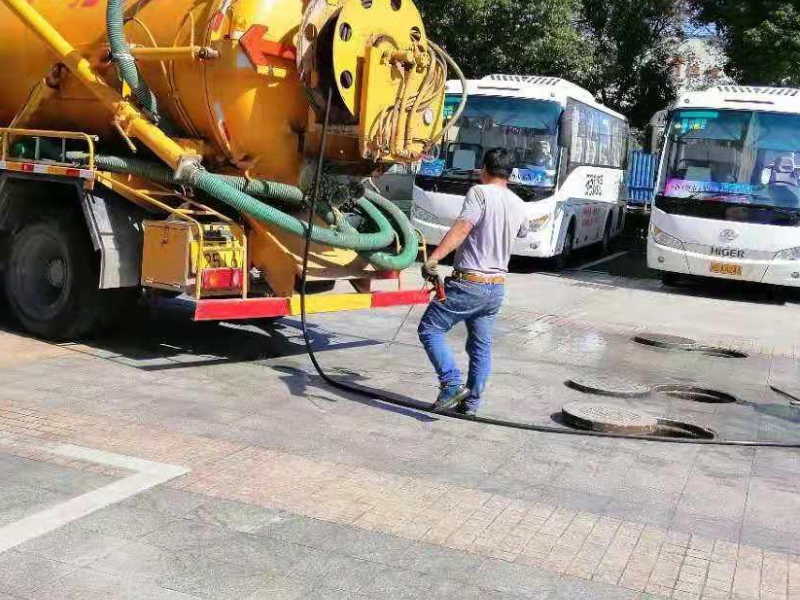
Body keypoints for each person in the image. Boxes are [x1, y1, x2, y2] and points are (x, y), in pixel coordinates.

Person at [418, 148, 529, 416]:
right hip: (495, 287)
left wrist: (434, 259)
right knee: (480, 344)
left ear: (484, 169)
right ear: (510, 175)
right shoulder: (518, 203)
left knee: (430, 329)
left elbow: (463, 227)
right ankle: (472, 404)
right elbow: (523, 231)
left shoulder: (479, 193)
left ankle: (451, 384)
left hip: (470, 283)